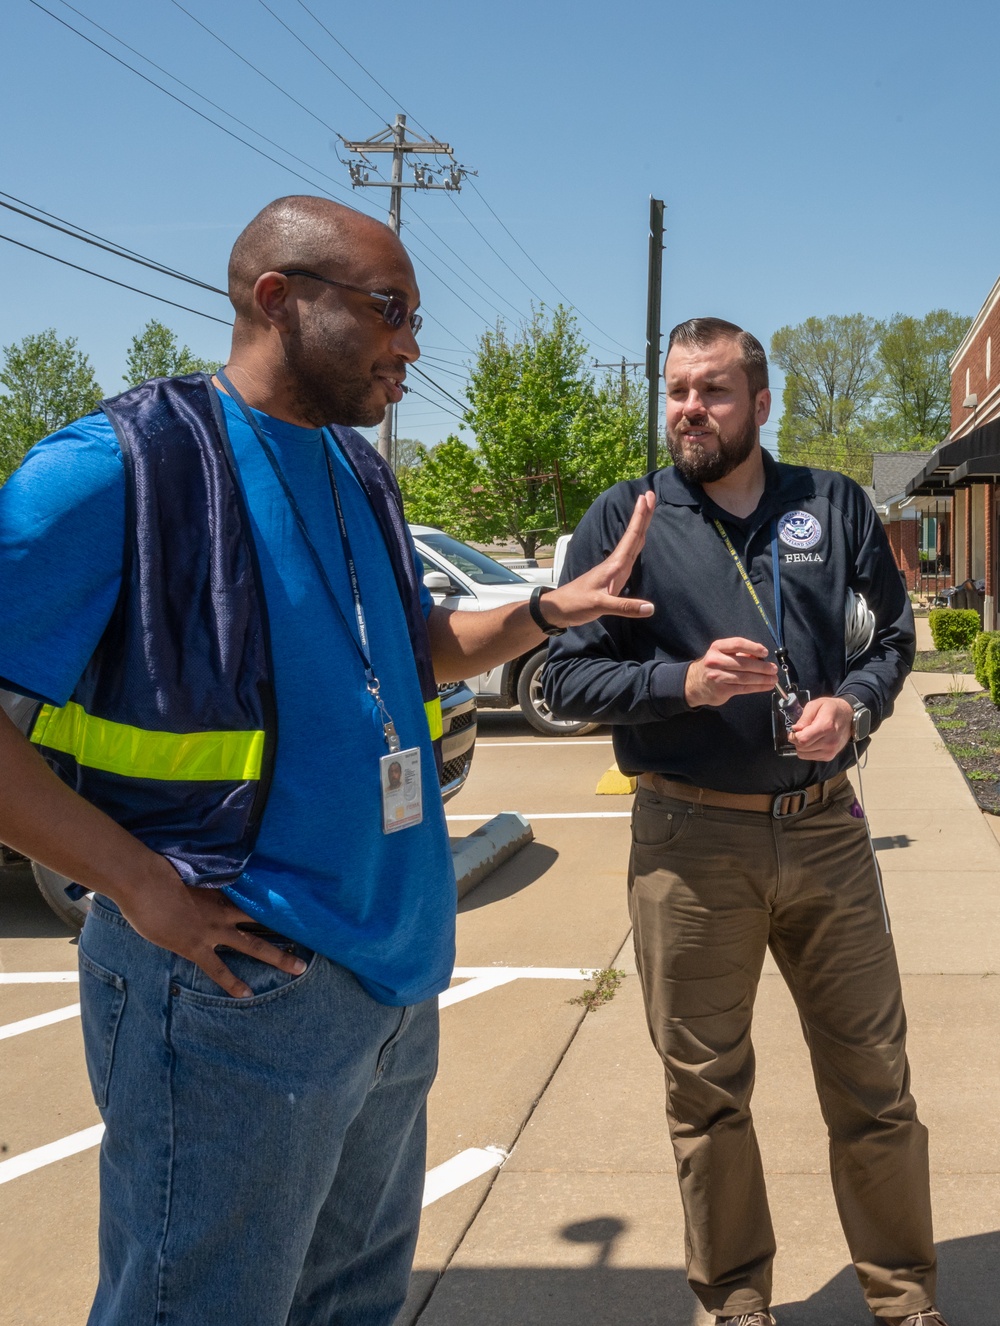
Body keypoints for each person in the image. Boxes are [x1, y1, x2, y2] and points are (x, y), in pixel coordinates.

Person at [0, 195, 656, 1326]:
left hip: (389, 975)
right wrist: (145, 890)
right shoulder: (120, 467)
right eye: (389, 309)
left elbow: (406, 656)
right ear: (277, 299)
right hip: (229, 984)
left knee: (349, 1304)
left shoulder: (357, 472)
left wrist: (542, 610)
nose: (411, 342)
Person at [543, 318, 947, 1326]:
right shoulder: (626, 519)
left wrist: (852, 706)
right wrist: (682, 679)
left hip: (825, 831)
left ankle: (903, 1299)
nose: (690, 409)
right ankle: (734, 1304)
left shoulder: (832, 504)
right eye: (678, 390)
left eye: (714, 391)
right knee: (706, 1094)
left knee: (874, 1084)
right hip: (688, 844)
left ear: (760, 403)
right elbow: (563, 675)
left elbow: (887, 638)